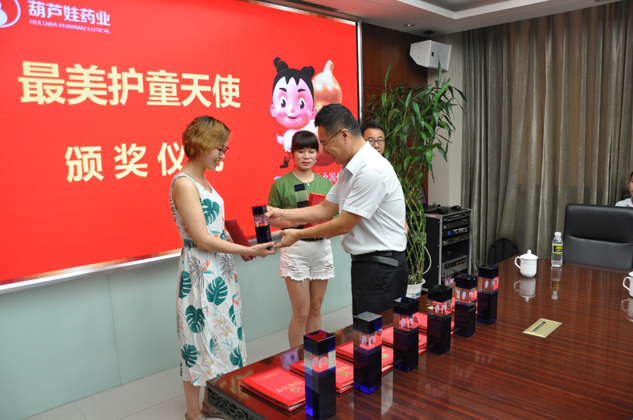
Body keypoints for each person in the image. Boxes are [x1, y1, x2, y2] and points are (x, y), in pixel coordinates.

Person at [170, 116, 275, 420]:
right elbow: (202, 238)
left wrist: (238, 243)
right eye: (221, 148)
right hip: (199, 270)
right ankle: (194, 413)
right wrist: (246, 249)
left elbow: (214, 229)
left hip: (219, 269)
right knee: (197, 339)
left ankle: (209, 403)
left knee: (220, 333)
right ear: (203, 144)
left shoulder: (204, 181)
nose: (223, 155)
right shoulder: (184, 183)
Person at [267, 104, 409, 316]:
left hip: (382, 268)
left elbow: (343, 224)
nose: (323, 151)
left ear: (344, 135)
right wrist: (281, 213)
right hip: (369, 266)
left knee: (377, 332)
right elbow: (325, 209)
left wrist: (298, 234)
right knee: (365, 329)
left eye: (325, 143)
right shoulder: (350, 168)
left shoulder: (371, 170)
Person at [268, 131, 335, 348]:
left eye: (311, 151)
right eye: (301, 151)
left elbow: (335, 217)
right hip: (295, 248)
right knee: (302, 311)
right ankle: (296, 358)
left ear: (317, 154)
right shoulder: (280, 184)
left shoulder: (327, 184)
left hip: (322, 247)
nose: (307, 156)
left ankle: (314, 355)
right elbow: (271, 218)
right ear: (292, 153)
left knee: (316, 307)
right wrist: (299, 222)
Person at [271, 57, 317, 168]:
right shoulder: (288, 134)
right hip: (290, 158)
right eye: (283, 102)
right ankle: (286, 162)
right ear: (273, 109)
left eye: (301, 104)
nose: (292, 109)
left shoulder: (310, 131)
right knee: (288, 155)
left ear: (313, 112)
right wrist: (281, 139)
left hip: (310, 173)